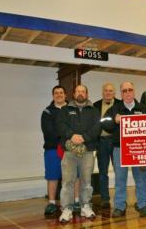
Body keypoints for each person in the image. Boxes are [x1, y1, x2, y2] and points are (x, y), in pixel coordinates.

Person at [102, 82, 146, 217]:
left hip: (139, 149)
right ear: (121, 93)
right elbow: (104, 123)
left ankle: (142, 204)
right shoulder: (115, 108)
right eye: (124, 91)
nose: (128, 92)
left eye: (130, 89)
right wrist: (114, 120)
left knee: (141, 178)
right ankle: (119, 206)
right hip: (120, 149)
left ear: (134, 91)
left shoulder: (143, 108)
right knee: (120, 178)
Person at [57, 85, 101, 223]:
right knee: (67, 181)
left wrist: (84, 138)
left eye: (83, 91)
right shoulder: (65, 110)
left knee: (86, 181)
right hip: (69, 152)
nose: (80, 93)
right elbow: (60, 125)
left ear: (87, 94)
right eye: (78, 91)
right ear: (74, 94)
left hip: (87, 150)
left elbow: (97, 127)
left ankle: (85, 206)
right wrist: (72, 135)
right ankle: (67, 209)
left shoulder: (94, 111)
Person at [41, 85, 67, 217]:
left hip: (70, 149)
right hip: (53, 149)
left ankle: (70, 203)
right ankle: (51, 203)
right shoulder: (47, 112)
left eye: (61, 93)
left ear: (65, 95)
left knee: (73, 177)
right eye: (56, 93)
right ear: (53, 96)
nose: (59, 95)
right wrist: (67, 136)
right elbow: (49, 131)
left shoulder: (72, 110)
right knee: (52, 176)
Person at [94, 83, 120, 208]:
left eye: (111, 91)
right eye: (106, 90)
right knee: (103, 171)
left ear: (114, 93)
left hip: (117, 142)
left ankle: (120, 199)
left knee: (119, 171)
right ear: (102, 92)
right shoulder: (95, 105)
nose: (108, 93)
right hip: (102, 142)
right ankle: (105, 198)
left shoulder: (120, 105)